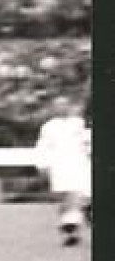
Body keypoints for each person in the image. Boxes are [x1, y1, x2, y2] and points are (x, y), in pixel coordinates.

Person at [35, 96, 91, 246]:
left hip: (80, 164)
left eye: (65, 105)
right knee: (65, 199)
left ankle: (73, 226)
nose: (62, 108)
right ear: (54, 108)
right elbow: (43, 147)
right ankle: (70, 230)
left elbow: (87, 142)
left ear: (69, 106)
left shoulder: (79, 123)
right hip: (59, 166)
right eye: (58, 105)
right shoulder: (49, 127)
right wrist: (42, 165)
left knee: (80, 196)